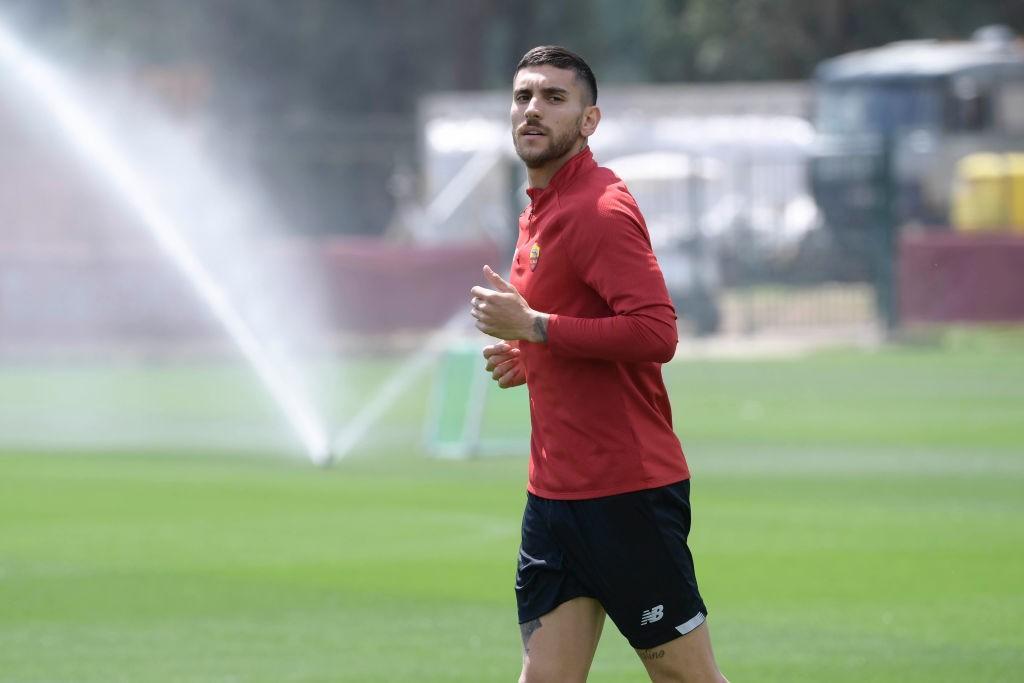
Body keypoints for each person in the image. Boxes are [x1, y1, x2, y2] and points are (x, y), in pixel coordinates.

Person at [469, 46, 729, 683]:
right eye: (524, 96)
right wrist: (532, 356)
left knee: (686, 678)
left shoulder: (599, 207)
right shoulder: (541, 207)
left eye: (555, 98)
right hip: (553, 497)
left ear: (590, 121)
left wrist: (534, 327)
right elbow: (578, 329)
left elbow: (655, 332)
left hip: (625, 495)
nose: (533, 109)